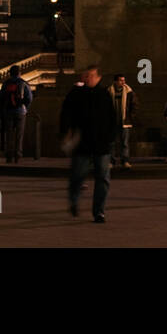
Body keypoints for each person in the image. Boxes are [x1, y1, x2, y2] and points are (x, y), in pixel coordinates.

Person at [60, 65, 115, 223]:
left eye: (90, 75)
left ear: (98, 77)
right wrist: (65, 132)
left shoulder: (104, 94)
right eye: (86, 75)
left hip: (101, 144)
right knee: (77, 176)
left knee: (103, 179)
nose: (87, 78)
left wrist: (110, 138)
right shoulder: (76, 93)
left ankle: (99, 211)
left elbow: (112, 118)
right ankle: (74, 200)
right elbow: (66, 113)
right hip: (82, 144)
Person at [0, 66, 33, 163]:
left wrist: (4, 108)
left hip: (8, 111)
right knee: (19, 135)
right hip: (20, 112)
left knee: (9, 134)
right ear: (19, 73)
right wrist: (25, 108)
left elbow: (1, 98)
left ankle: (9, 156)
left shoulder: (6, 84)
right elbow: (29, 98)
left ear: (10, 73)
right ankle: (17, 155)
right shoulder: (24, 83)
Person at [110, 73, 136, 168]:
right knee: (112, 142)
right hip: (112, 121)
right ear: (115, 81)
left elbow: (134, 105)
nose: (123, 82)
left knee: (124, 143)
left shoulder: (129, 92)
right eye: (121, 80)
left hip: (125, 121)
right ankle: (111, 161)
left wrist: (131, 117)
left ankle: (125, 160)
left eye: (124, 80)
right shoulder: (109, 91)